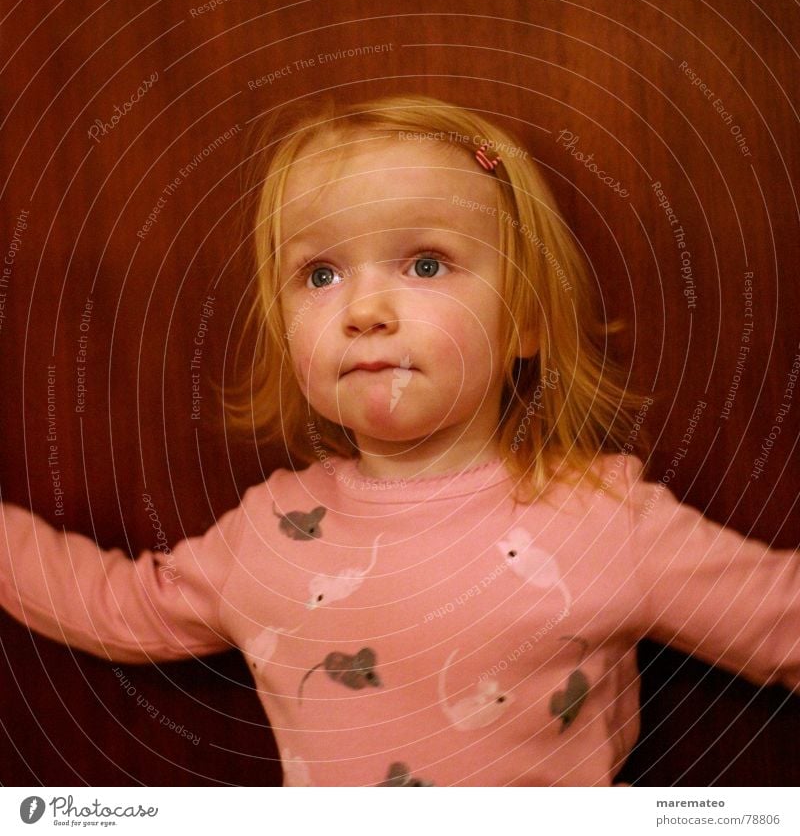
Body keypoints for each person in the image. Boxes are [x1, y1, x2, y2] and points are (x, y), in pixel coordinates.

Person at [1, 95, 797, 787]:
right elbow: (116, 605)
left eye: (425, 262)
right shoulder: (271, 533)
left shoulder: (603, 519)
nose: (364, 309)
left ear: (524, 318)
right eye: (320, 274)